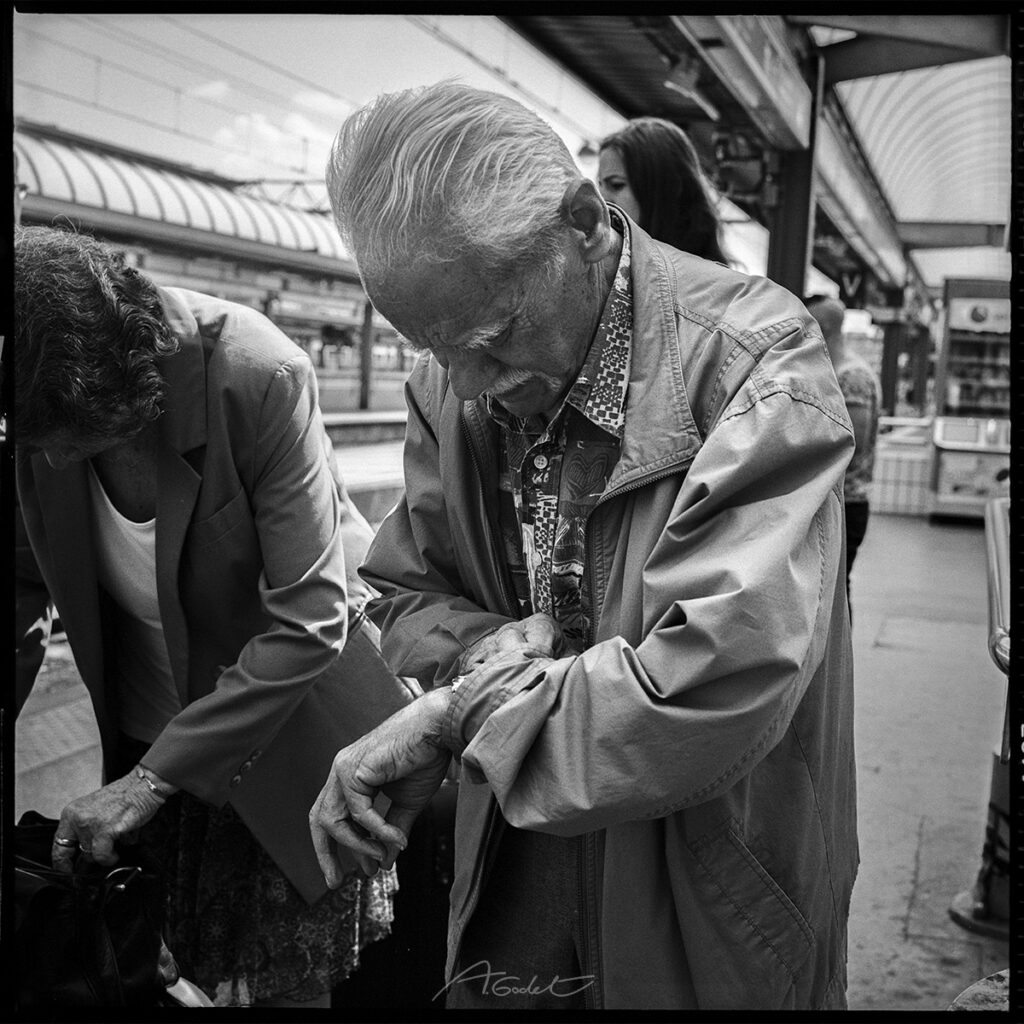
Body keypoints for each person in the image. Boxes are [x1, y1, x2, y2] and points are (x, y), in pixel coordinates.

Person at [310, 82, 858, 1012]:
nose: (471, 384)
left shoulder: (757, 362)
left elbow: (712, 681)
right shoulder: (451, 384)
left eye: (494, 336)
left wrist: (457, 716)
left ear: (582, 222)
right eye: (438, 350)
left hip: (710, 872)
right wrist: (516, 676)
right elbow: (405, 593)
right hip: (515, 841)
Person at [13, 225, 418, 1008]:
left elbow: (309, 616)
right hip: (143, 749)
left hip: (279, 750)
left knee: (272, 993)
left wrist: (152, 780)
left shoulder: (254, 375)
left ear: (115, 382)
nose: (55, 463)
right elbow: (21, 589)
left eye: (71, 440)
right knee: (156, 980)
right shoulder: (34, 402)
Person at [804, 294, 881, 615]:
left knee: (834, 591)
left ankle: (837, 662)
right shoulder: (829, 371)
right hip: (831, 499)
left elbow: (854, 441)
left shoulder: (851, 377)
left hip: (846, 503)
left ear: (821, 327)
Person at [597, 116, 727, 263]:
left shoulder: (704, 278)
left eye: (616, 185)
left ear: (662, 192)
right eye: (599, 184)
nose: (602, 199)